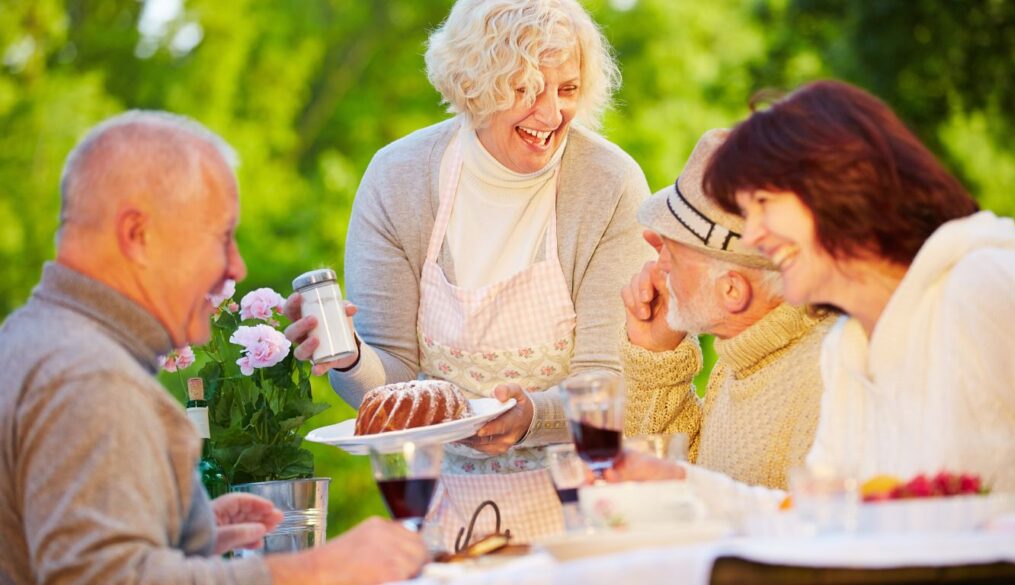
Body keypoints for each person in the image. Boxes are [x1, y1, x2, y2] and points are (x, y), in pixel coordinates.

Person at [0, 112, 427, 585]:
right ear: (138, 235)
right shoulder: (91, 377)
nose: (237, 267)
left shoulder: (27, 341)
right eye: (221, 237)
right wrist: (311, 569)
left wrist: (179, 540)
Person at [285, 0, 649, 542]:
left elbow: (609, 380)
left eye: (567, 89)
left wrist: (531, 418)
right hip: (447, 514)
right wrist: (351, 355)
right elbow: (393, 389)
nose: (550, 115)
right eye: (524, 89)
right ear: (475, 84)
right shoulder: (398, 179)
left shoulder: (609, 185)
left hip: (589, 513)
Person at [612, 80, 1015, 502]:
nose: (753, 233)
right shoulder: (848, 349)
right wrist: (682, 483)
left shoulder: (983, 286)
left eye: (765, 204)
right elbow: (816, 517)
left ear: (838, 189)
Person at [620, 129, 835, 490]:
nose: (658, 261)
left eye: (673, 248)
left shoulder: (825, 380)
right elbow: (680, 492)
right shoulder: (742, 354)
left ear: (732, 290)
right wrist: (657, 356)